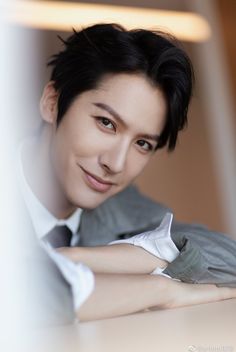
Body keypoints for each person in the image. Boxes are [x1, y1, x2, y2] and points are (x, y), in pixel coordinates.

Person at [19, 23, 236, 323]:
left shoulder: (125, 209)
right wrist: (159, 290)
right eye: (106, 123)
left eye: (142, 143)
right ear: (52, 102)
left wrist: (82, 259)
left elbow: (230, 256)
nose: (116, 163)